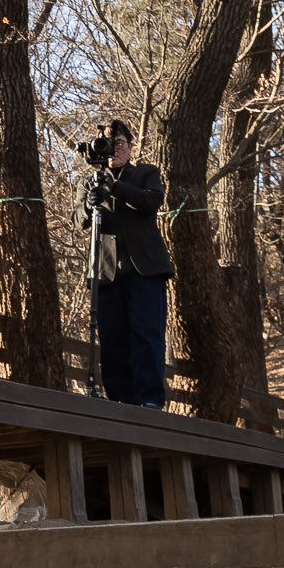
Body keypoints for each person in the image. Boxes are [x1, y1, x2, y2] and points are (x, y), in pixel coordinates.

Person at [86, 118, 173, 405]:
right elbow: (78, 220)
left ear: (130, 148)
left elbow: (151, 202)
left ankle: (150, 402)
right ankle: (120, 403)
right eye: (109, 144)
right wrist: (89, 203)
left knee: (146, 334)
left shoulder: (145, 173)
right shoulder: (90, 182)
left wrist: (114, 187)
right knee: (112, 340)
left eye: (119, 144)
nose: (113, 150)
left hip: (144, 269)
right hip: (106, 272)